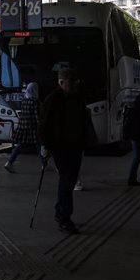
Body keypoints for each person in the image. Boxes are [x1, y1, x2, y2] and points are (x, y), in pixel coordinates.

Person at [38, 68, 88, 235]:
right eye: (72, 82)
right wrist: (45, 146)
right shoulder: (52, 100)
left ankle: (61, 212)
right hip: (60, 147)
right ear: (61, 82)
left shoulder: (77, 98)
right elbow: (44, 125)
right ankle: (65, 218)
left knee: (69, 180)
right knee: (67, 181)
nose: (75, 84)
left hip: (76, 146)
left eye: (76, 81)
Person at [5, 82, 42, 173]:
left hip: (23, 127)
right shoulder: (35, 102)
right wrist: (41, 126)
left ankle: (9, 163)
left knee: (19, 146)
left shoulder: (24, 101)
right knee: (39, 146)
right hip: (32, 128)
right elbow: (37, 116)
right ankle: (44, 164)